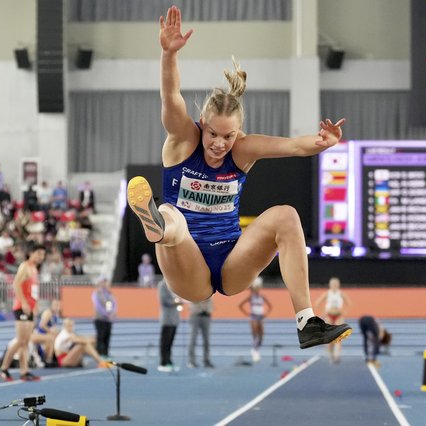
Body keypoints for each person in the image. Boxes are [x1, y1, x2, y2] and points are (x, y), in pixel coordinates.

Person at [126, 5, 351, 350]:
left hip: (232, 262)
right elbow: (170, 98)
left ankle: (307, 322)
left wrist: (324, 143)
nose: (219, 144)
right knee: (173, 218)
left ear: (238, 133)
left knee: (286, 216)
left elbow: (293, 146)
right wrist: (168, 55)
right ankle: (157, 224)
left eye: (228, 137)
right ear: (202, 122)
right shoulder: (184, 140)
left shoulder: (243, 150)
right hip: (189, 267)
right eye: (213, 134)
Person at [0, 243, 46, 382]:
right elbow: (16, 284)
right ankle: (3, 368)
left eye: (43, 254)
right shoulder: (25, 266)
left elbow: (33, 290)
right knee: (21, 340)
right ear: (31, 253)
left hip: (30, 308)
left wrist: (35, 305)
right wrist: (24, 302)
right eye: (39, 253)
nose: (41, 257)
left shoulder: (34, 269)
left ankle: (24, 371)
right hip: (21, 307)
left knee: (25, 342)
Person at [315, 277, 352, 363]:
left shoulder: (341, 293)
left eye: (336, 284)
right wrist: (323, 312)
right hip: (329, 315)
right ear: (330, 285)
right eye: (333, 284)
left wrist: (344, 312)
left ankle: (337, 356)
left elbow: (349, 303)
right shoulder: (327, 293)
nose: (334, 286)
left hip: (339, 316)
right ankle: (331, 356)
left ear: (338, 285)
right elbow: (317, 303)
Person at [238, 277, 272, 363]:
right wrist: (247, 313)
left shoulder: (262, 296)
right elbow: (240, 305)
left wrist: (266, 313)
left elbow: (270, 306)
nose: (257, 290)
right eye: (255, 288)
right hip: (253, 317)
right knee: (255, 334)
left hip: (261, 317)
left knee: (262, 335)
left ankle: (257, 348)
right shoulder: (251, 296)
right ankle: (255, 351)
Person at [157, 278, 182, 372]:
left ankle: (169, 360)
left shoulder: (174, 284)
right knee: (165, 342)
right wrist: (175, 302)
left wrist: (179, 301)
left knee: (170, 342)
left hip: (174, 319)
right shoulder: (162, 285)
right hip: (167, 319)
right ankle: (163, 362)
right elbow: (164, 301)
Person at [31, 299, 61, 367]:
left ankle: (53, 358)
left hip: (45, 334)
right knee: (51, 338)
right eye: (56, 305)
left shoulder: (55, 315)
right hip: (39, 334)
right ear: (51, 306)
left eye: (58, 305)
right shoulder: (48, 313)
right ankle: (48, 359)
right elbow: (42, 325)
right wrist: (51, 332)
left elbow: (52, 327)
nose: (57, 307)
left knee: (56, 337)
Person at [92, 275, 117, 357]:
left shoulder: (109, 293)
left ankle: (106, 353)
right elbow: (98, 306)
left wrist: (112, 313)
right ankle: (99, 354)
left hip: (108, 320)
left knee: (107, 337)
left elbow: (114, 304)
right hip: (100, 319)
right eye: (103, 282)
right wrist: (107, 314)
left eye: (105, 282)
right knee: (100, 337)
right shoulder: (96, 293)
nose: (104, 284)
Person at [187, 298, 214, 368]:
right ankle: (191, 361)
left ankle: (206, 360)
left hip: (206, 316)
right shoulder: (193, 290)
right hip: (195, 315)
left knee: (206, 340)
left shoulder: (208, 289)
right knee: (193, 339)